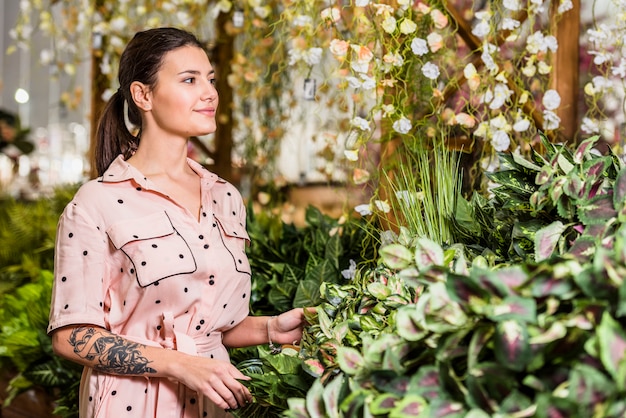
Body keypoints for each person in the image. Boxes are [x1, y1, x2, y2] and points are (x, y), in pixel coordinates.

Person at [47, 27, 307, 418]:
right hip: (129, 406)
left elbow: (206, 323)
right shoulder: (96, 203)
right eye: (189, 80)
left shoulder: (226, 197)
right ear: (143, 95)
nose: (210, 93)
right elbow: (71, 337)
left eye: (211, 80)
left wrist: (271, 329)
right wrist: (179, 365)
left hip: (211, 405)